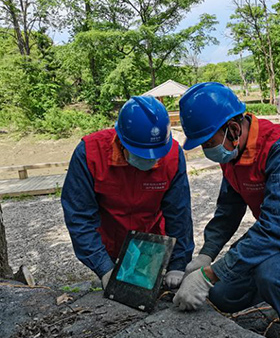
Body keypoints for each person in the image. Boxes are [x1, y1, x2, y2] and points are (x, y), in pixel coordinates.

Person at [173, 82, 280, 338]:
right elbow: (228, 210)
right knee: (223, 295)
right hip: (278, 230)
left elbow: (279, 228)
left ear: (233, 129)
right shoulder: (233, 152)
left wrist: (208, 276)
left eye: (208, 142)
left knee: (275, 274)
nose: (207, 151)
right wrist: (206, 256)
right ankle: (278, 290)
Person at [62, 96, 194, 290]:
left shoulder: (172, 156)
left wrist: (178, 264)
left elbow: (179, 213)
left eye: (155, 154)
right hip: (109, 245)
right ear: (121, 141)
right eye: (141, 154)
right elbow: (79, 216)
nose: (150, 160)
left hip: (152, 244)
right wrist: (104, 268)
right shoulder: (90, 153)